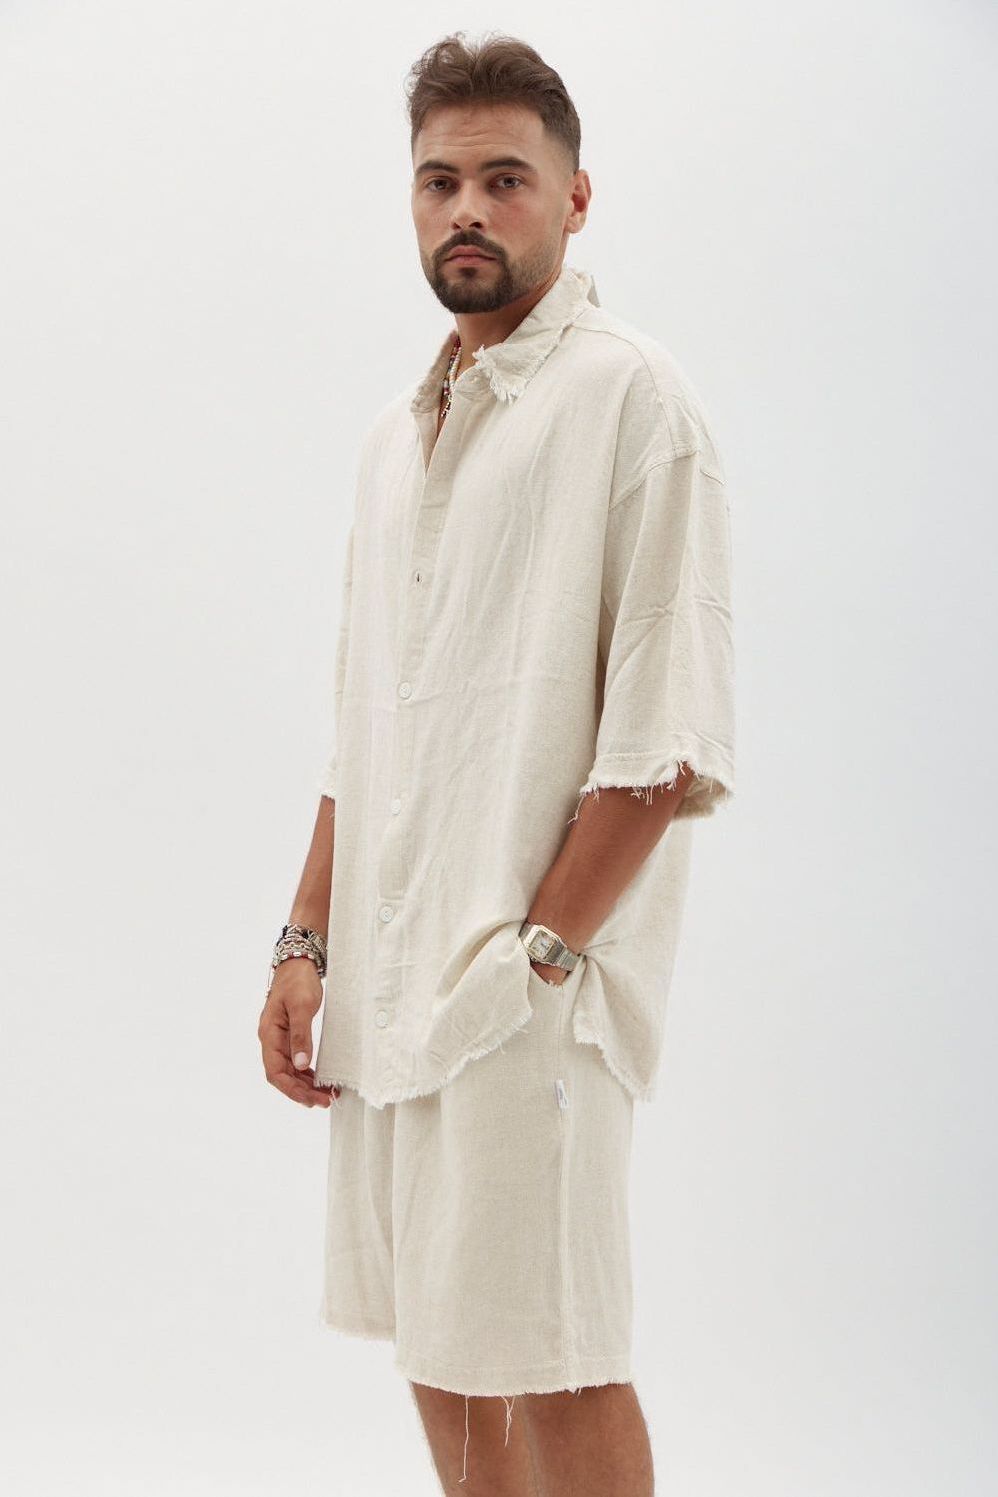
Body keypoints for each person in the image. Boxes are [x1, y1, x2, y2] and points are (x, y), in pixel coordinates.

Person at [257, 29, 735, 1497]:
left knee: (555, 1348)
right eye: (440, 181)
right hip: (389, 971)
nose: (467, 209)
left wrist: (537, 963)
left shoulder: (633, 402)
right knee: (442, 1342)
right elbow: (366, 723)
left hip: (529, 992)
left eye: (505, 180)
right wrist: (303, 940)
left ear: (575, 198)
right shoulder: (391, 444)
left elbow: (662, 745)